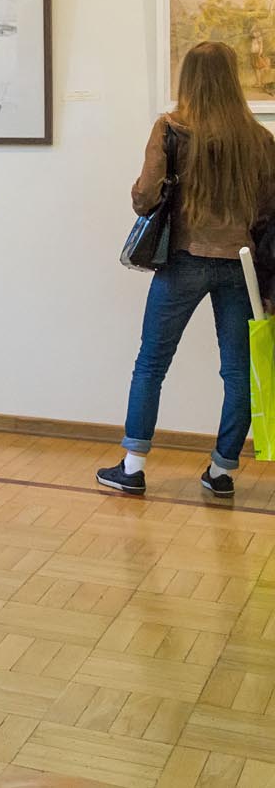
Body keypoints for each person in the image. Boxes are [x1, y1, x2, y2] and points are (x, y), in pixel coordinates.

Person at [98, 41, 275, 498]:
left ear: (189, 79)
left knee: (152, 363)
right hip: (241, 266)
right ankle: (222, 471)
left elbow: (145, 198)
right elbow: (267, 212)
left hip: (183, 259)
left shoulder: (171, 128)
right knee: (238, 373)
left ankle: (133, 467)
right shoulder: (259, 139)